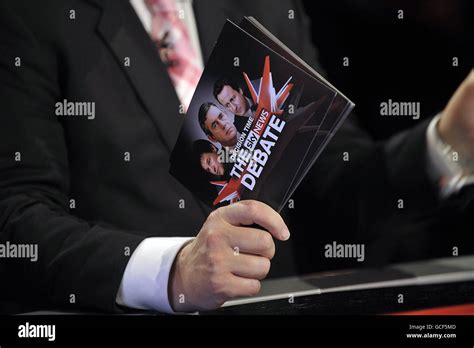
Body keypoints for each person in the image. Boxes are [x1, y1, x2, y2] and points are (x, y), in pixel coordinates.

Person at [0, 0, 472, 315]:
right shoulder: (30, 16)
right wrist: (173, 271)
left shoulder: (264, 3)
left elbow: (331, 179)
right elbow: (17, 219)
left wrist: (446, 143)